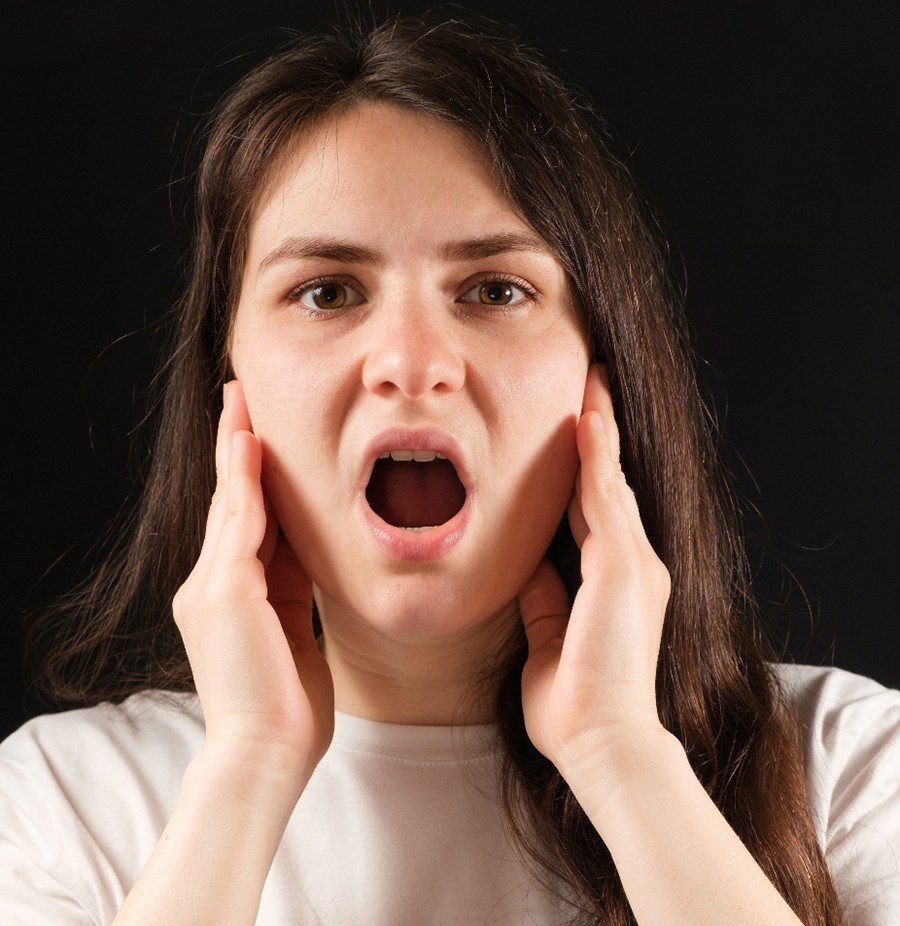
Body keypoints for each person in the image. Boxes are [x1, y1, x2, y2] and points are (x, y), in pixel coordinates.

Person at [1, 14, 897, 926]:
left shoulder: (852, 765)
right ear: (228, 385)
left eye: (495, 290)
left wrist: (623, 754)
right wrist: (250, 765)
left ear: (604, 377)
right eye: (326, 292)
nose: (410, 359)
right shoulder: (60, 805)